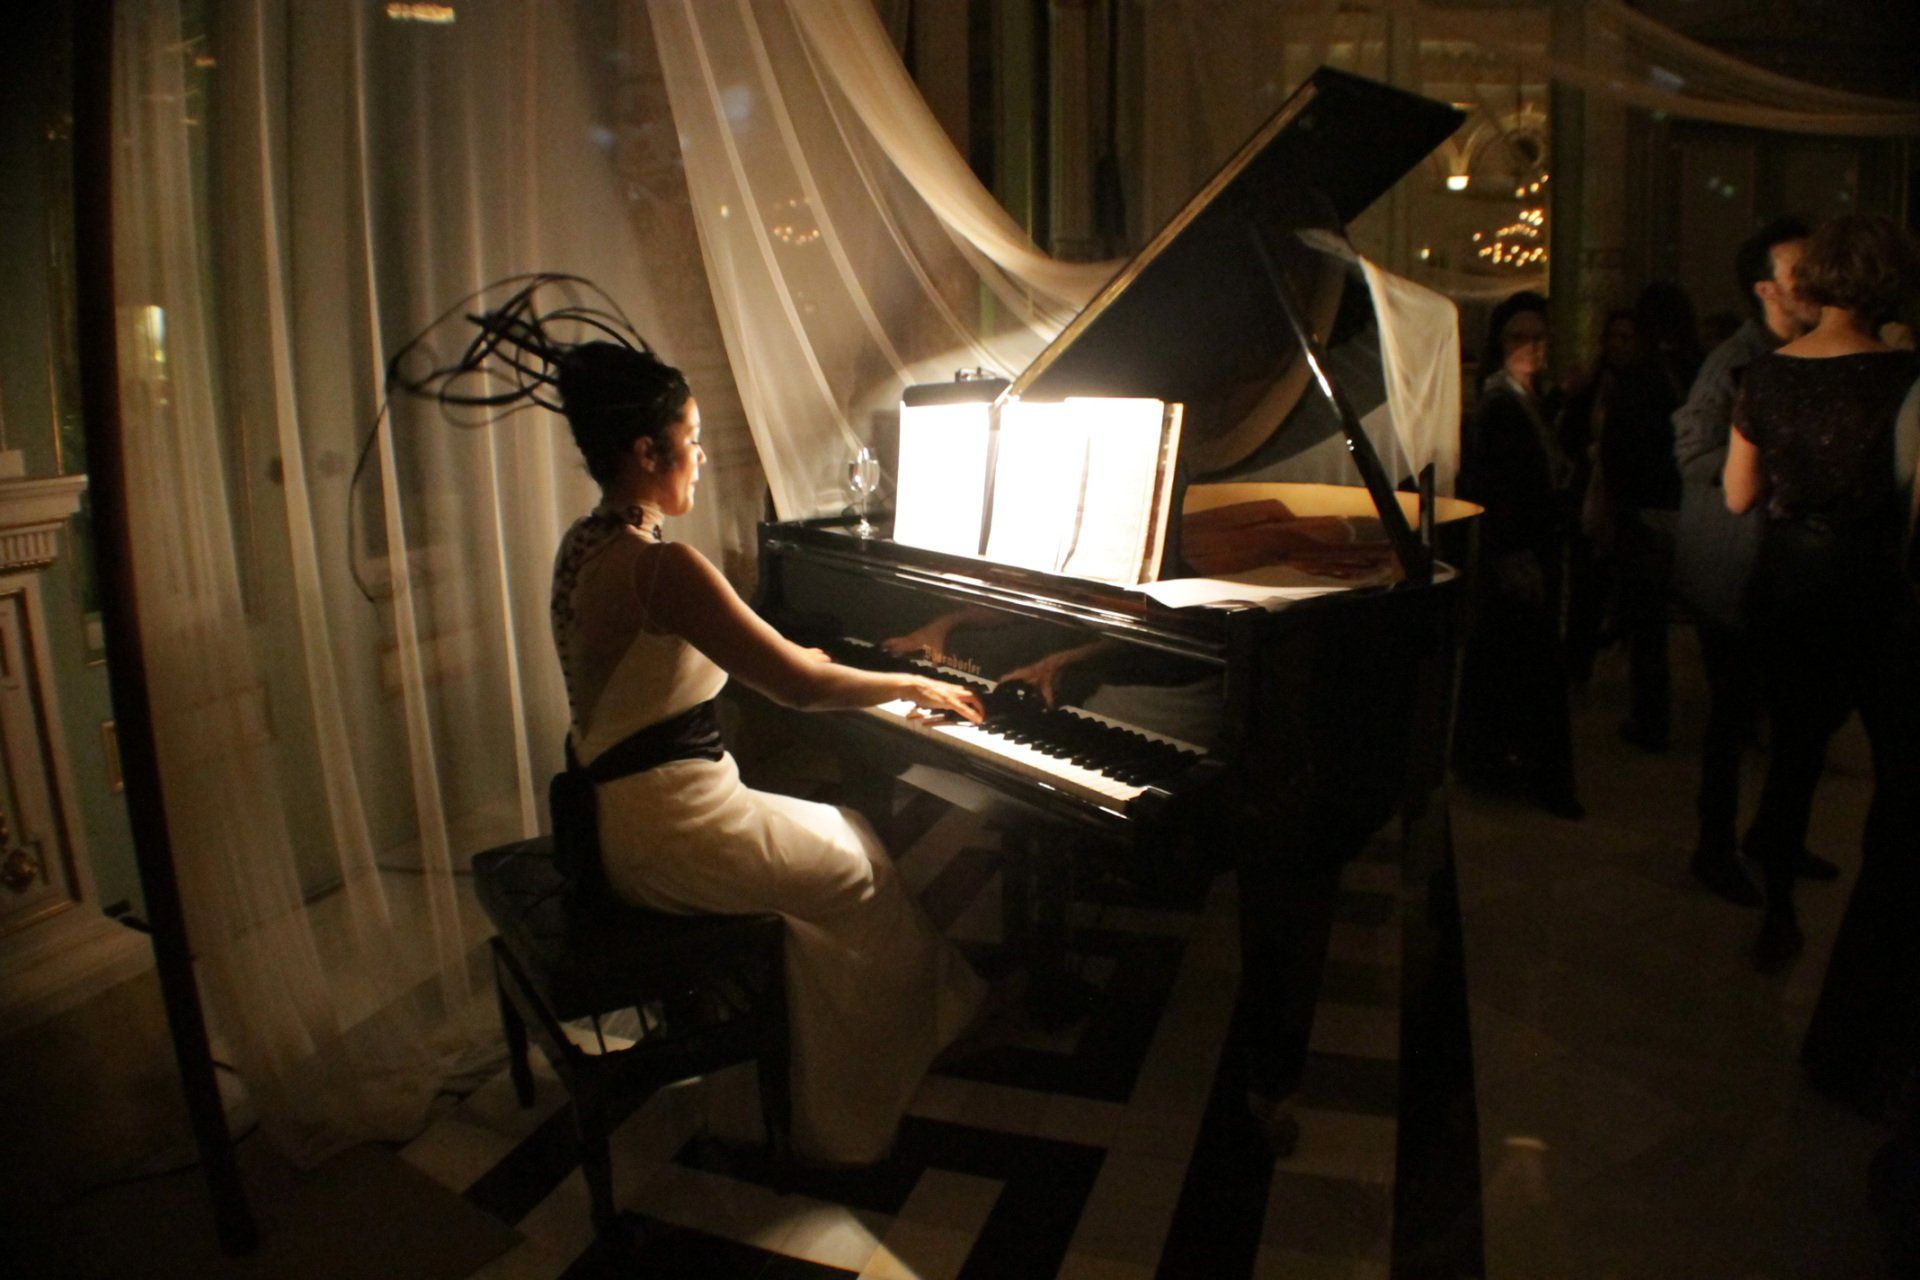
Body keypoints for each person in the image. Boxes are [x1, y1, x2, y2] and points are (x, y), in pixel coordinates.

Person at [546, 339, 989, 1166]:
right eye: (692, 438)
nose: (703, 456)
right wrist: (909, 683)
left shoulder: (587, 544)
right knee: (860, 873)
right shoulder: (662, 566)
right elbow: (797, 687)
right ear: (647, 453)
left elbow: (746, 663)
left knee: (853, 828)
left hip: (632, 818)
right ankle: (849, 1102)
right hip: (674, 831)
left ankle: (847, 1041)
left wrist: (830, 664)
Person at [1722, 215, 1920, 1122]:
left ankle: (1777, 914)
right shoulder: (1902, 375)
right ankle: (1879, 938)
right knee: (1897, 765)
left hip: (1790, 576)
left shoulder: (1766, 373)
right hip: (1871, 580)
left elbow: (1738, 494)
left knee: (1795, 750)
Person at [1671, 216, 1834, 905]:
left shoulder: (1823, 353)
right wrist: (1760, 469)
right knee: (1733, 718)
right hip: (1738, 569)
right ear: (1766, 289)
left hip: (1796, 566)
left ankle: (1775, 835)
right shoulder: (1735, 362)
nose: (1816, 282)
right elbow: (1692, 452)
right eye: (1801, 272)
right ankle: (1713, 848)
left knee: (1802, 717)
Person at [1456, 291, 1582, 818]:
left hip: (1534, 546)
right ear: (1501, 345)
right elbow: (1496, 487)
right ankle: (1543, 779)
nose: (1531, 346)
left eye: (1538, 337)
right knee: (1532, 665)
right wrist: (1512, 556)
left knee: (1514, 662)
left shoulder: (1528, 400)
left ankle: (1495, 762)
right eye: (1518, 338)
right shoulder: (1500, 405)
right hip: (1518, 551)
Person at [1597, 282, 1701, 752]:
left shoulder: (1637, 378)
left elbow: (1617, 452)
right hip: (1694, 506)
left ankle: (1651, 717)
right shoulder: (1700, 370)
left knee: (1648, 625)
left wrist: (1616, 508)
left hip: (1644, 510)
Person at [1558, 308, 1637, 684]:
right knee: (1586, 588)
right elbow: (1569, 436)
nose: (1618, 346)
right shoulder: (1594, 385)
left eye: (1626, 338)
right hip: (1589, 494)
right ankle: (1577, 668)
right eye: (1613, 338)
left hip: (1623, 499)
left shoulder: (1639, 386)